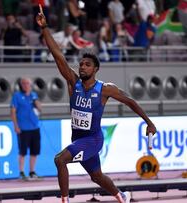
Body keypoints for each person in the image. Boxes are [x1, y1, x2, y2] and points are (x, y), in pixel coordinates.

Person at [36, 6, 157, 203]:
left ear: (96, 69)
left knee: (60, 160)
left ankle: (64, 201)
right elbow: (58, 54)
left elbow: (130, 102)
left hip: (93, 140)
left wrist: (149, 122)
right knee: (96, 176)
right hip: (78, 138)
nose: (82, 67)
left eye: (87, 65)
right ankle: (122, 196)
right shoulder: (73, 83)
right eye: (81, 64)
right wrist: (44, 28)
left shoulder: (105, 89)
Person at [10, 78, 42, 180]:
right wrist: (15, 125)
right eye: (23, 83)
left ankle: (32, 172)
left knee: (34, 151)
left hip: (35, 127)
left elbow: (40, 109)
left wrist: (36, 102)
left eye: (27, 83)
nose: (25, 85)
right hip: (23, 128)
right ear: (21, 85)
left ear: (31, 85)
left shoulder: (33, 95)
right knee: (23, 151)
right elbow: (13, 111)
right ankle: (21, 172)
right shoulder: (17, 96)